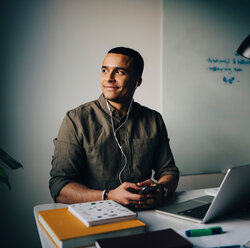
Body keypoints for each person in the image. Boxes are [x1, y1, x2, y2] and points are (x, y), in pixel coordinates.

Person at [49, 47, 179, 210]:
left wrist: (162, 190)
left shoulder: (153, 119)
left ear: (137, 81)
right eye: (105, 70)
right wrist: (108, 196)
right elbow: (59, 187)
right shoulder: (76, 119)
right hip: (94, 215)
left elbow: (169, 172)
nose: (108, 78)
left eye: (119, 72)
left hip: (146, 214)